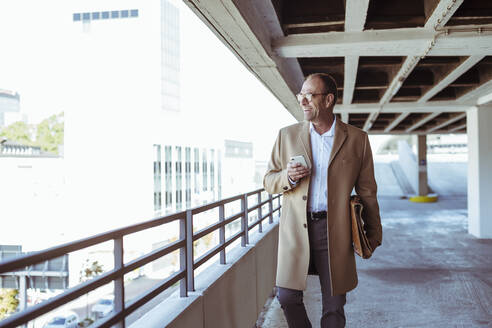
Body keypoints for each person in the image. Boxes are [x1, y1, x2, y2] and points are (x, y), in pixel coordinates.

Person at [263, 73, 382, 328]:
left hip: (335, 231)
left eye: (309, 95)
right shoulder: (287, 136)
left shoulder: (357, 140)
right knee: (287, 296)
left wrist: (374, 232)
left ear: (328, 100)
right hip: (296, 230)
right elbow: (268, 181)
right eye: (301, 95)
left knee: (335, 307)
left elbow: (368, 191)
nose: (303, 101)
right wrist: (288, 177)